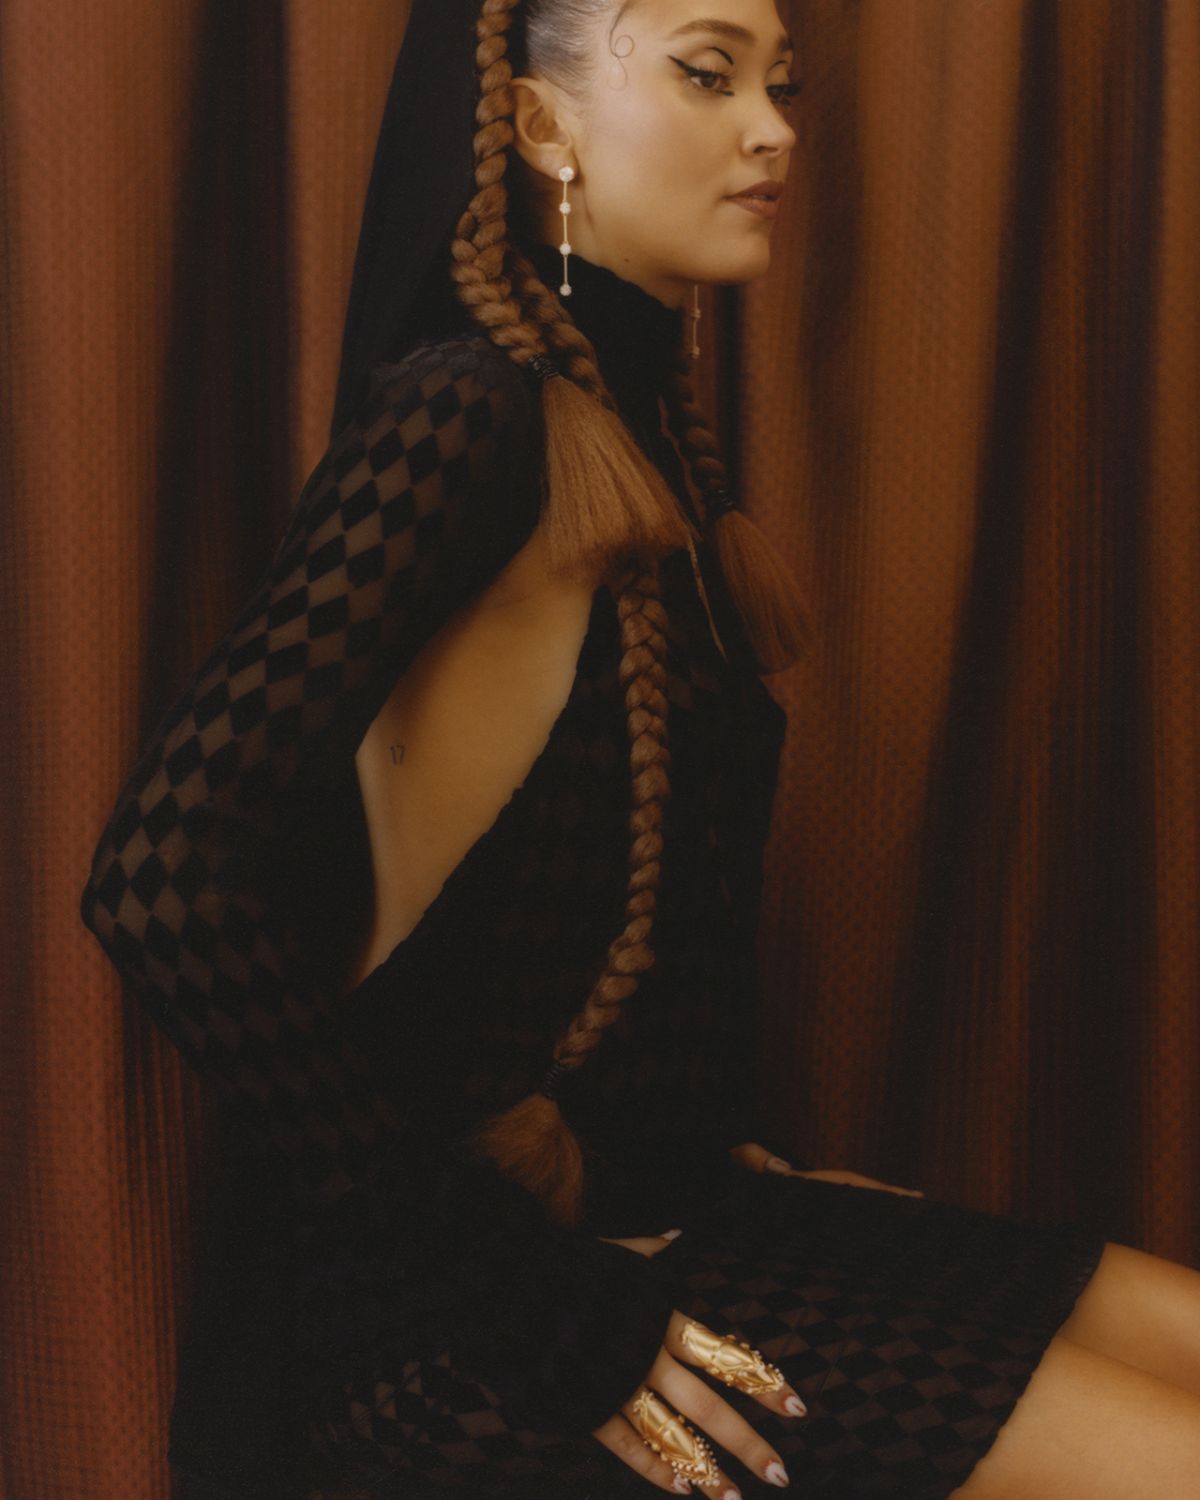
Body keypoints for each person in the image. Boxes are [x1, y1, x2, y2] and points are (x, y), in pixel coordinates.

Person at [80, 1, 1200, 1497]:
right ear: (541, 128)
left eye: (780, 85)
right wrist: (509, 1287)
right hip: (465, 1325)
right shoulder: (463, 414)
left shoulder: (651, 441)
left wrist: (736, 1177)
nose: (775, 129)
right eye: (707, 73)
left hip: (661, 1212)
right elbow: (160, 876)